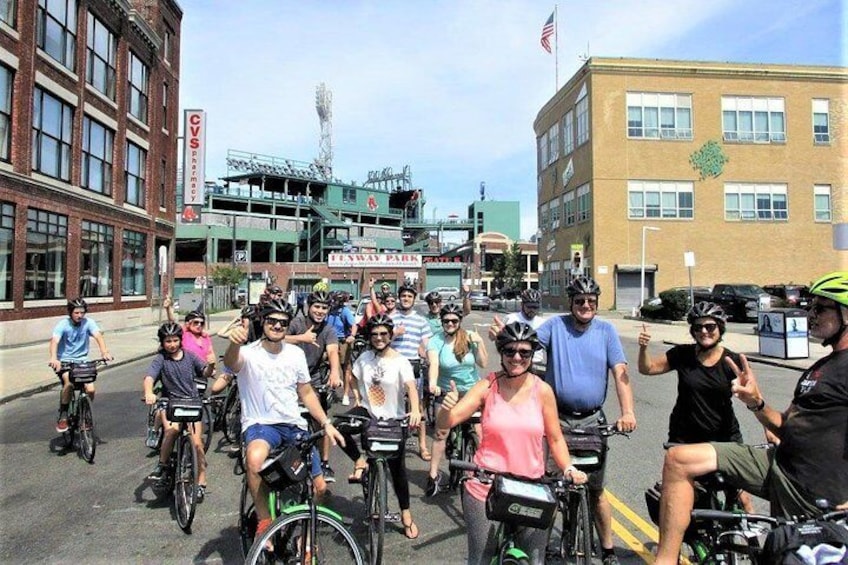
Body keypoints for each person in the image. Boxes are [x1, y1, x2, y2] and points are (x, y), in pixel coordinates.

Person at [654, 271, 848, 564]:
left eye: (820, 308)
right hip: (781, 466)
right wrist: (756, 403)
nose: (811, 314)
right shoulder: (819, 368)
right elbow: (786, 425)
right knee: (679, 459)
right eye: (811, 306)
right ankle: (665, 560)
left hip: (816, 489)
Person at [502, 276, 635, 565]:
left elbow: (621, 374)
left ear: (597, 304)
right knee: (549, 487)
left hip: (592, 422)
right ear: (571, 303)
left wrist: (627, 412)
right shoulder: (555, 326)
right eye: (579, 301)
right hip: (557, 420)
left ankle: (608, 549)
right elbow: (528, 342)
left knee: (597, 491)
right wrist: (506, 341)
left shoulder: (606, 331)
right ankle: (544, 545)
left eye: (591, 301)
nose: (585, 305)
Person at [436, 322, 588, 564]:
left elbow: (556, 438)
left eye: (524, 352)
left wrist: (568, 468)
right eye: (510, 351)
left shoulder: (543, 391)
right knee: (481, 558)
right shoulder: (488, 385)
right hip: (486, 484)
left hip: (531, 488)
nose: (517, 357)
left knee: (535, 559)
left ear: (532, 354)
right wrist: (446, 408)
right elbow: (449, 421)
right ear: (502, 353)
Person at [222, 298, 344, 544]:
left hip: (293, 425)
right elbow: (231, 363)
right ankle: (265, 521)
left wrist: (326, 422)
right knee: (255, 459)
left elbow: (306, 392)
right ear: (263, 322)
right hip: (261, 424)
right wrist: (234, 344)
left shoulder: (295, 354)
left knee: (320, 487)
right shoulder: (248, 352)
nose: (277, 326)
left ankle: (306, 538)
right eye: (272, 321)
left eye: (282, 323)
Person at [637, 301, 754, 512]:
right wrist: (643, 348)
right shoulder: (682, 355)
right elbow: (648, 369)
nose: (704, 331)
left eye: (710, 326)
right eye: (698, 327)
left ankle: (755, 544)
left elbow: (754, 397)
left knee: (743, 498)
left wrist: (771, 431)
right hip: (685, 437)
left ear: (720, 328)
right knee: (680, 500)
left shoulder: (732, 361)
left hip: (724, 436)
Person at [338, 314, 422, 540]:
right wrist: (357, 396)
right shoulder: (364, 358)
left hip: (393, 418)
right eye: (374, 334)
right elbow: (353, 376)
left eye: (384, 334)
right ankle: (359, 459)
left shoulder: (400, 360)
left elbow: (411, 388)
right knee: (338, 427)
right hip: (368, 413)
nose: (379, 338)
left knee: (398, 471)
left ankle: (406, 515)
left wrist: (414, 410)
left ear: (391, 334)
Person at [143, 322, 214, 500]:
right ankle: (162, 464)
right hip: (170, 403)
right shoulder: (161, 359)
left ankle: (201, 482)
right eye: (168, 341)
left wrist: (210, 367)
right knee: (172, 430)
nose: (172, 344)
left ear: (180, 340)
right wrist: (149, 392)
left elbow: (204, 371)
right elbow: (149, 377)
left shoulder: (190, 356)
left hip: (191, 402)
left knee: (197, 445)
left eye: (175, 340)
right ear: (162, 342)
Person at [425, 303, 488, 496]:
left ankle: (485, 474)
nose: (450, 324)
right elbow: (434, 364)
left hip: (471, 392)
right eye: (446, 321)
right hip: (447, 392)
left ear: (460, 321)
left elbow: (483, 363)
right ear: (442, 322)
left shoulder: (468, 337)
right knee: (441, 433)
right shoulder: (435, 341)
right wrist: (433, 384)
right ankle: (434, 475)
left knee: (479, 431)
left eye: (454, 320)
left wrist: (479, 343)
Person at [285, 290, 343, 482]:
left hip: (314, 377)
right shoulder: (296, 324)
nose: (320, 311)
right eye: (316, 306)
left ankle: (325, 463)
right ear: (308, 307)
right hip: (290, 378)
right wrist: (300, 338)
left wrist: (335, 372)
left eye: (324, 308)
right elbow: (277, 338)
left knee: (322, 420)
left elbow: (333, 351)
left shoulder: (328, 330)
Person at [48, 297, 113, 432]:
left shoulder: (88, 323)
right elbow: (54, 341)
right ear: (70, 313)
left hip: (82, 361)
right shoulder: (63, 324)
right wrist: (54, 358)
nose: (80, 315)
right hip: (65, 361)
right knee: (69, 383)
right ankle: (64, 415)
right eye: (76, 313)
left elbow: (98, 336)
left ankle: (84, 414)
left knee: (90, 389)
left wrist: (104, 352)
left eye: (82, 312)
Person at [388, 283, 433, 460]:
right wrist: (394, 334)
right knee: (392, 404)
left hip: (413, 365)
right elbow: (380, 340)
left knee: (418, 407)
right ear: (399, 298)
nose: (406, 299)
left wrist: (430, 358)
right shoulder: (391, 317)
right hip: (394, 364)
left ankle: (422, 445)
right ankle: (391, 440)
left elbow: (426, 345)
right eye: (403, 296)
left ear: (414, 299)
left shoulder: (421, 320)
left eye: (409, 296)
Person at [489, 288, 547, 375]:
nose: (532, 310)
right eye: (529, 306)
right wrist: (494, 335)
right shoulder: (511, 318)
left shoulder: (543, 323)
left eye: (535, 307)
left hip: (536, 363)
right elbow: (496, 337)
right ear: (522, 305)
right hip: (514, 361)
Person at [164, 296, 216, 372]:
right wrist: (168, 309)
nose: (199, 325)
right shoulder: (184, 334)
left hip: (202, 372)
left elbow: (210, 353)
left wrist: (212, 368)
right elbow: (173, 323)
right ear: (188, 324)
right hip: (185, 371)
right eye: (196, 322)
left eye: (201, 323)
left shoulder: (205, 337)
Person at [326, 291, 358, 406]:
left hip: (342, 341)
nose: (334, 302)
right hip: (329, 340)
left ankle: (345, 394)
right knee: (324, 362)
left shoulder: (344, 311)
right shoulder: (329, 311)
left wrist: (352, 336)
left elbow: (353, 325)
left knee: (346, 367)